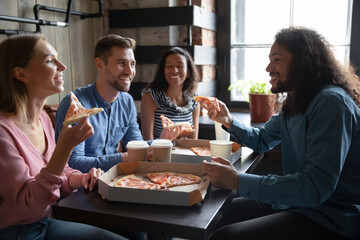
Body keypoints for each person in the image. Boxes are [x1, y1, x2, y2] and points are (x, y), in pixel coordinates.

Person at [202, 27, 360, 240]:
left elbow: (315, 187)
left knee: (227, 236)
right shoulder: (295, 102)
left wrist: (238, 181)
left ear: (304, 61)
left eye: (277, 60)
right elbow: (262, 140)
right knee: (225, 211)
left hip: (332, 217)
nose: (268, 67)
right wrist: (228, 121)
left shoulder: (331, 103)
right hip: (300, 204)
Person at [0, 34, 126, 240]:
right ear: (21, 74)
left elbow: (58, 171)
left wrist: (80, 178)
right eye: (50, 60)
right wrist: (64, 148)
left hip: (45, 222)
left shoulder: (42, 118)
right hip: (16, 232)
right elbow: (28, 203)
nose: (62, 66)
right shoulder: (3, 132)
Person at [55, 34, 180, 174]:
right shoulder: (75, 104)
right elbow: (72, 163)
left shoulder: (126, 101)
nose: (130, 71)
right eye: (121, 63)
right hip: (81, 188)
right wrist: (125, 158)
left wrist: (162, 140)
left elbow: (136, 144)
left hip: (115, 179)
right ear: (99, 64)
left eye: (132, 64)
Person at [141, 47, 200, 140]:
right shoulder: (150, 97)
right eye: (169, 66)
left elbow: (193, 141)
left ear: (188, 72)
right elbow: (147, 140)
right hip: (158, 153)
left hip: (185, 153)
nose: (174, 70)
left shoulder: (194, 99)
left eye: (180, 66)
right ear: (163, 71)